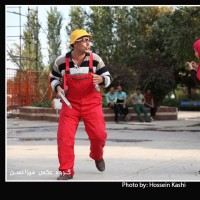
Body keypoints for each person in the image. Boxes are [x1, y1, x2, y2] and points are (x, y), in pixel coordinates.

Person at [49, 29, 112, 180]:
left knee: (99, 135)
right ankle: (66, 171)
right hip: (70, 105)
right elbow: (53, 78)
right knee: (64, 137)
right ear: (75, 43)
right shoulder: (61, 61)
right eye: (84, 40)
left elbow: (108, 77)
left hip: (92, 104)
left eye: (88, 40)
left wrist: (102, 80)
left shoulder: (95, 59)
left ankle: (97, 155)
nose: (88, 43)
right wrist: (57, 87)